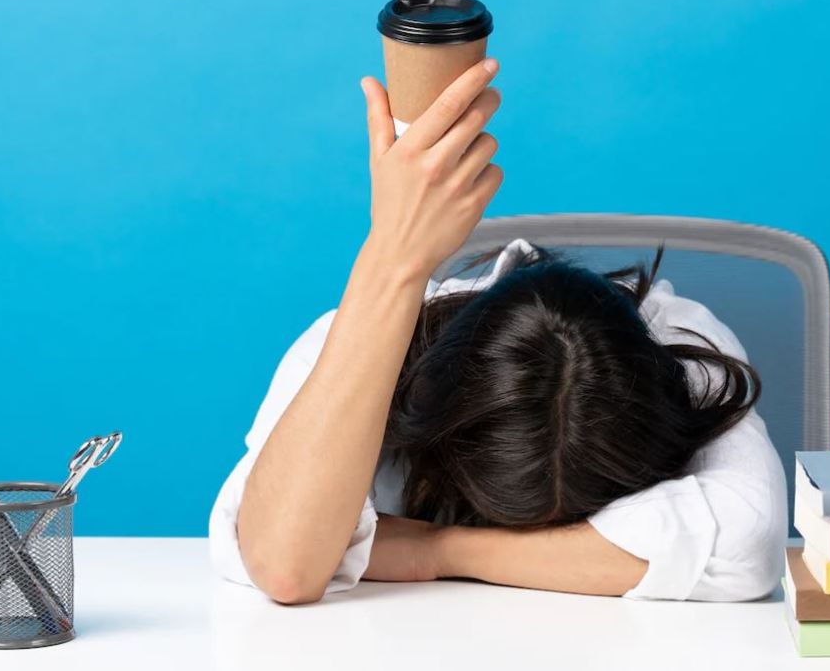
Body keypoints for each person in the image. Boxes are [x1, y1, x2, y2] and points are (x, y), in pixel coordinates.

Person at [208, 56, 788, 605]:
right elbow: (282, 564)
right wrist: (392, 259)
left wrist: (438, 550)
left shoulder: (677, 343)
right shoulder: (361, 347)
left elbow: (749, 545)